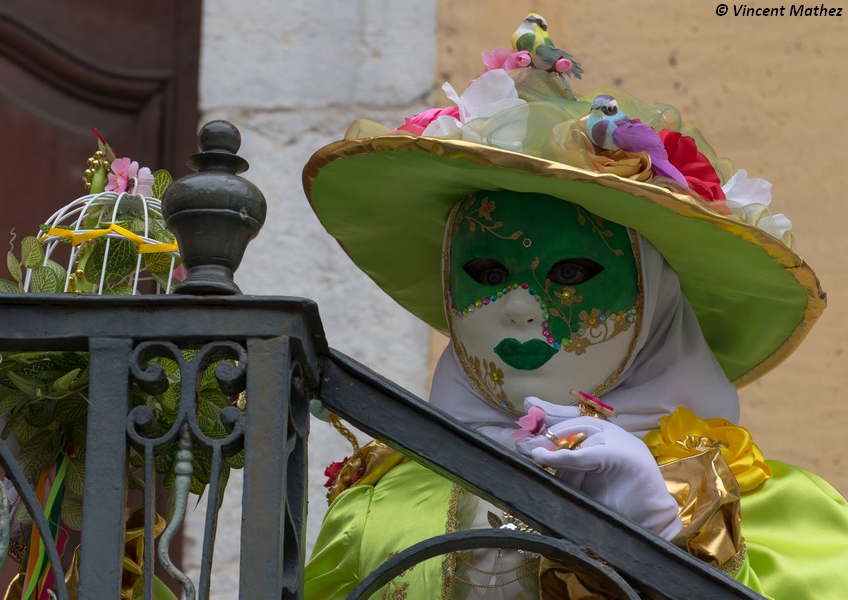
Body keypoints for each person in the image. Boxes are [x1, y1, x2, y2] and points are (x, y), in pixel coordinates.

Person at [301, 14, 848, 599]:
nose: (517, 308)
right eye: (485, 273)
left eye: (569, 273)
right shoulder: (380, 509)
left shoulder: (780, 517)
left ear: (657, 297)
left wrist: (677, 544)